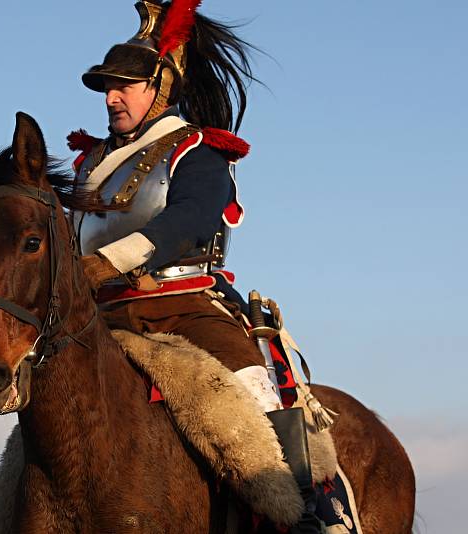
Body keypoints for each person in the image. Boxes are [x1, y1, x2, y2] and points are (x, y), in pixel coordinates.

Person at [68, 2, 323, 533]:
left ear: (160, 87)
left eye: (125, 86)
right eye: (107, 87)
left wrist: (108, 262)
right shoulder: (91, 165)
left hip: (183, 305)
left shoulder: (197, 150)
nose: (112, 97)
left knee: (251, 388)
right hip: (102, 316)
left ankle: (311, 511)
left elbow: (191, 218)